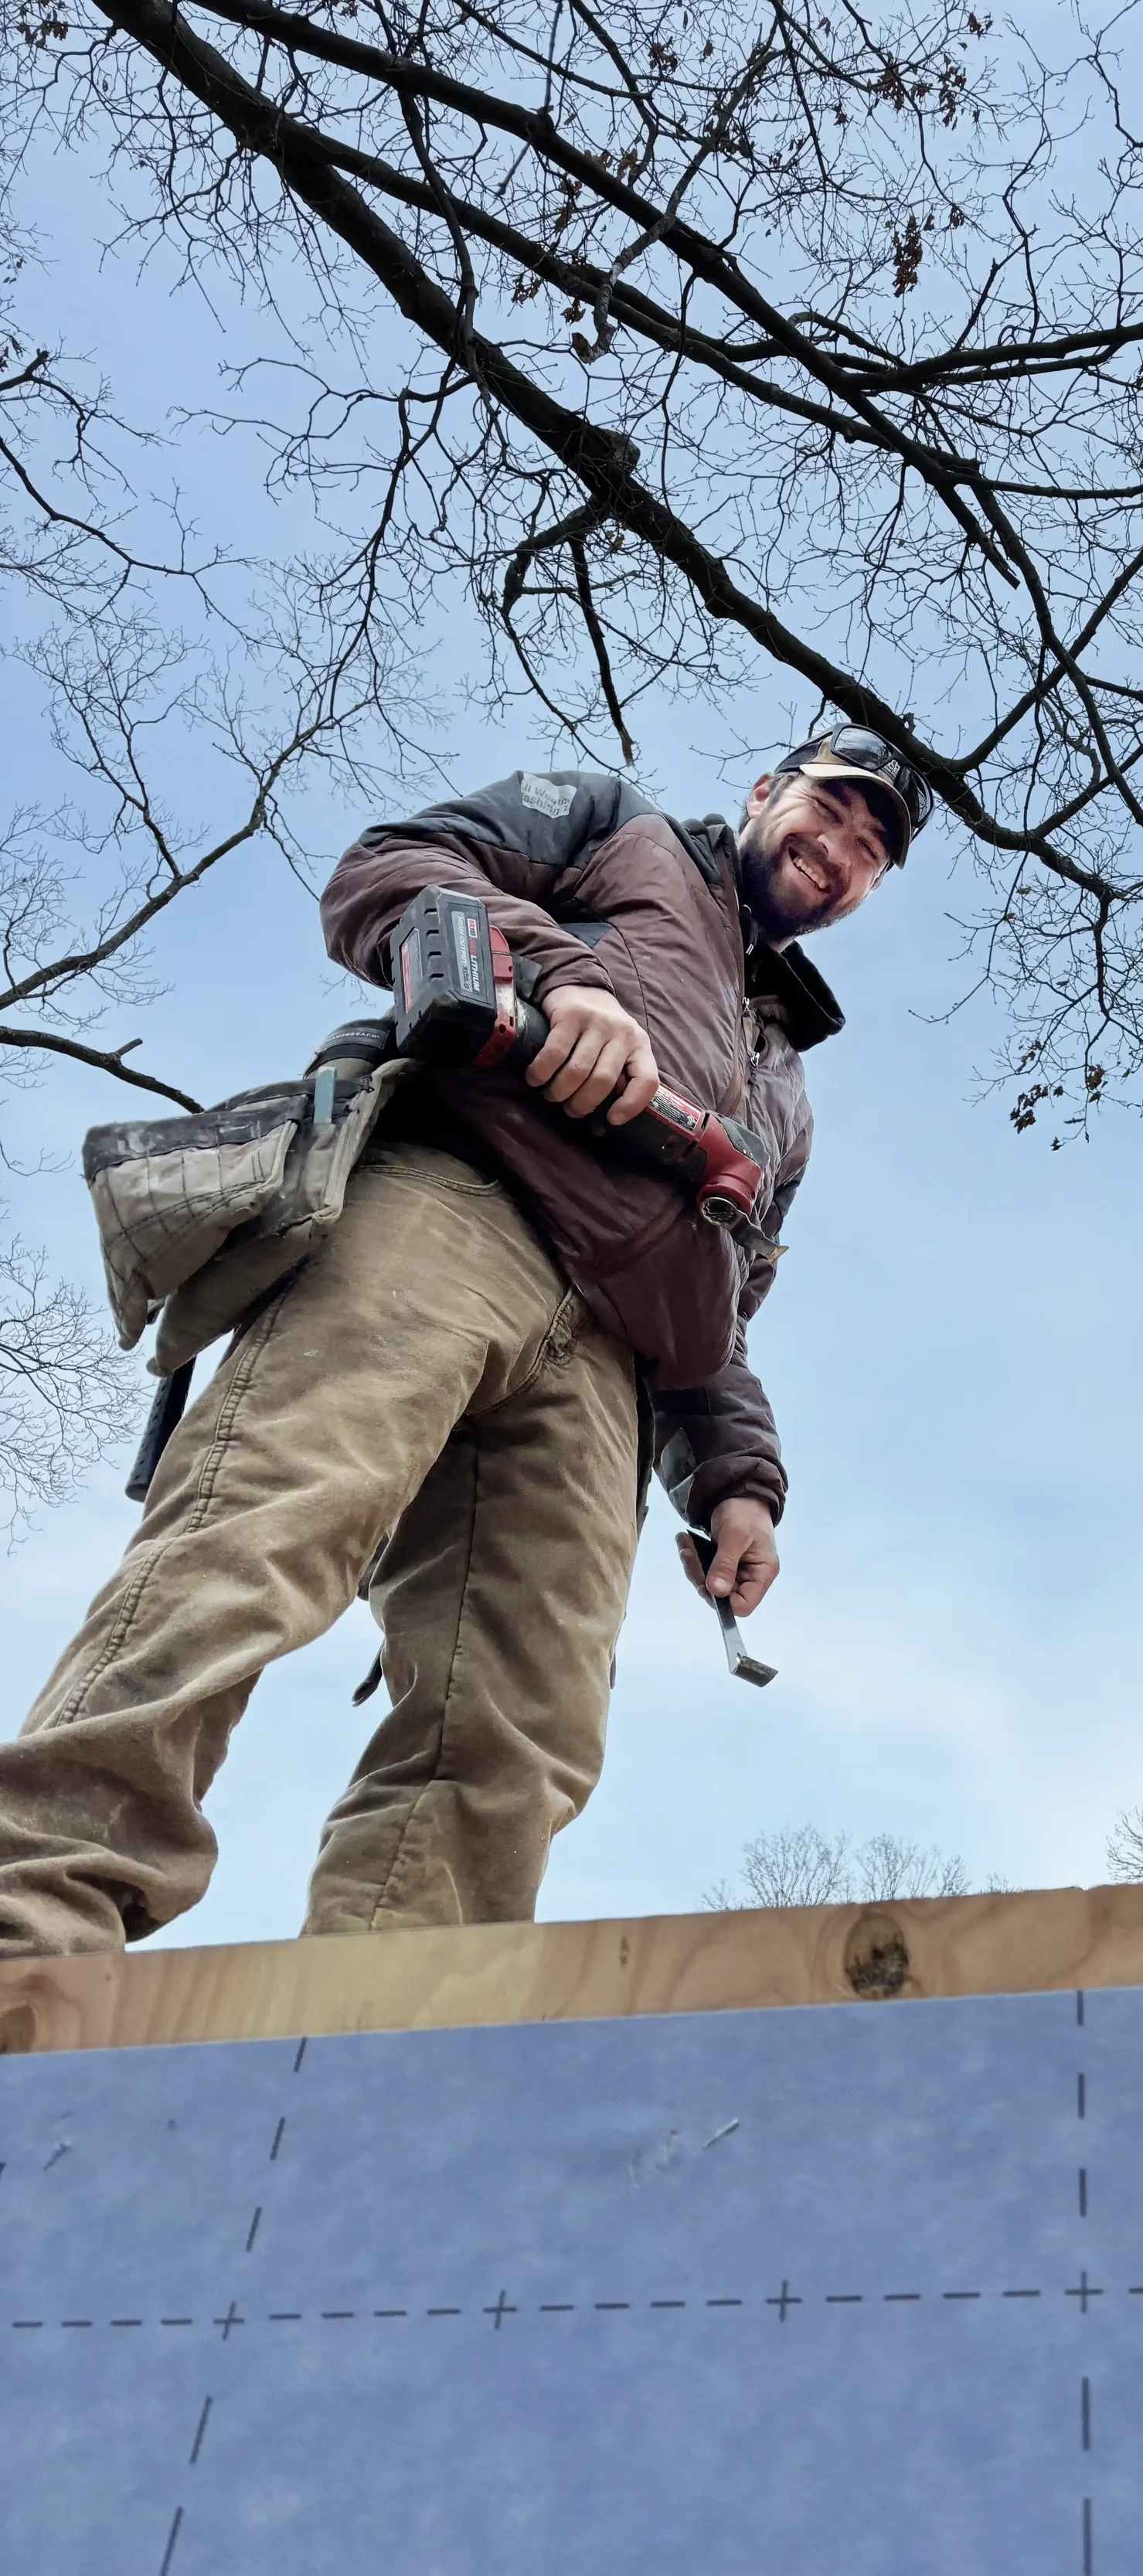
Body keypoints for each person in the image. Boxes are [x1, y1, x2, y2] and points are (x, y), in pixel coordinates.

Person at [0, 727, 933, 1955]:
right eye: (832, 810)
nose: (841, 851)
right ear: (766, 792)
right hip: (452, 1208)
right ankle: (34, 1922)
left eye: (872, 851)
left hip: (613, 1373)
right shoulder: (619, 832)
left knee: (523, 1724)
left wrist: (739, 1482)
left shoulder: (787, 1097)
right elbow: (389, 866)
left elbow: (730, 1301)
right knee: (260, 1537)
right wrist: (561, 974)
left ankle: (379, 2045)